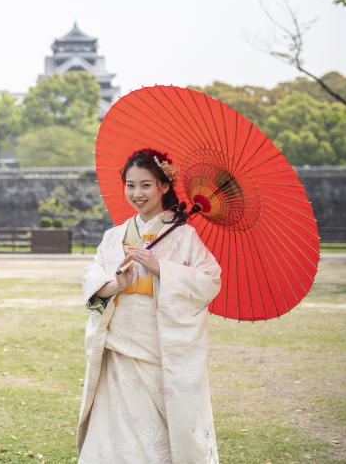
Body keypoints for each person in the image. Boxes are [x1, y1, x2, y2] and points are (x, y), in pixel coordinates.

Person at [77, 148, 222, 464]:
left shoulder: (184, 236)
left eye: (146, 184)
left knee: (154, 439)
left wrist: (161, 268)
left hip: (160, 351)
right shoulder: (114, 237)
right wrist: (116, 284)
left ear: (164, 187)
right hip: (118, 354)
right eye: (130, 185)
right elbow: (93, 278)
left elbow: (210, 281)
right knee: (116, 438)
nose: (137, 193)